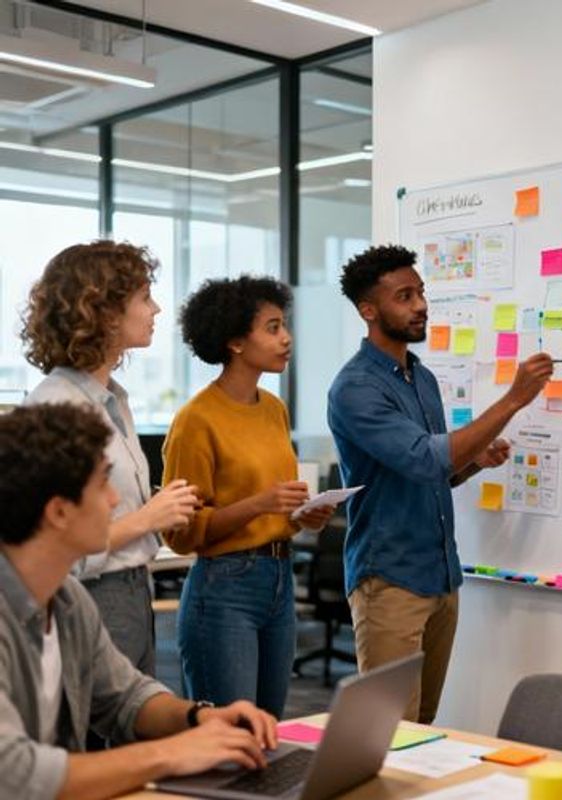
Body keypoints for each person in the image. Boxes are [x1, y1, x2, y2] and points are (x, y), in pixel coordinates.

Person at [0, 402, 278, 800]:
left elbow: (126, 697)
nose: (115, 500)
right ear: (59, 511)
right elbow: (14, 774)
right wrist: (170, 754)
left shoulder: (67, 601)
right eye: (103, 485)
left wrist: (200, 718)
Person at [328, 244, 554, 723]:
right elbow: (424, 457)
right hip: (390, 581)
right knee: (390, 733)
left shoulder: (422, 378)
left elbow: (432, 475)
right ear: (369, 311)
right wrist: (513, 399)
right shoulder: (355, 388)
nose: (420, 306)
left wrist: (472, 464)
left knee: (423, 727)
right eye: (404, 296)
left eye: (421, 293)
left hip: (441, 577)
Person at [21, 241, 198, 678]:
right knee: (93, 736)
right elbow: (50, 547)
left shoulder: (111, 400)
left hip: (134, 587)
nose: (156, 309)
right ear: (103, 311)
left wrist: (157, 510)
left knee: (131, 722)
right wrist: (147, 519)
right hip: (90, 595)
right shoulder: (57, 408)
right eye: (144, 297)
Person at [162, 275, 334, 718]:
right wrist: (259, 504)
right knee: (229, 737)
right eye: (273, 327)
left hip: (280, 577)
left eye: (284, 325)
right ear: (236, 342)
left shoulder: (274, 408)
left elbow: (277, 508)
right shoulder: (196, 420)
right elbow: (182, 535)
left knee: (267, 729)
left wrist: (304, 515)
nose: (286, 338)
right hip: (224, 588)